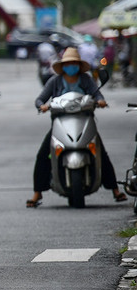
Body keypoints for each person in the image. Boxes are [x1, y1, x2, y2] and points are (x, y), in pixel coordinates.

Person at [27, 47, 125, 207]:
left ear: (79, 65)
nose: (71, 66)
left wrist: (100, 101)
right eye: (68, 63)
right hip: (60, 124)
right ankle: (37, 193)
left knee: (102, 153)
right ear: (63, 65)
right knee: (43, 155)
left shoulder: (86, 80)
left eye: (74, 63)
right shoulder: (55, 81)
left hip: (85, 122)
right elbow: (40, 99)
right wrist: (42, 106)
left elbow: (97, 95)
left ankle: (115, 190)